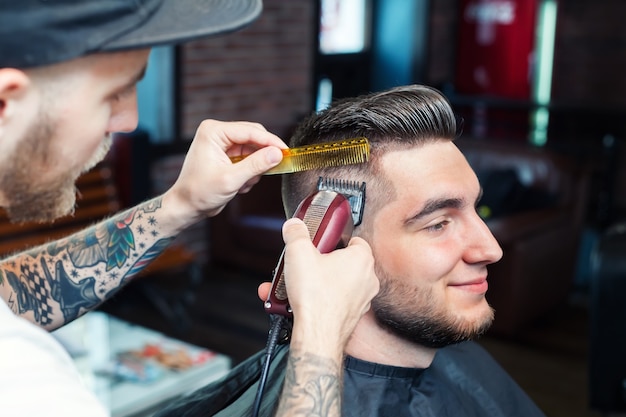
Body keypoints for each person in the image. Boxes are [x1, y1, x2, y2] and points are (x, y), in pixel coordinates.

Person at [0, 1, 379, 416]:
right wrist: (322, 331)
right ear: (6, 103)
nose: (128, 120)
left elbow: (14, 295)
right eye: (113, 94)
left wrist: (179, 205)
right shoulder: (24, 382)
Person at [156, 84, 548, 416]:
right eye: (438, 223)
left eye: (475, 210)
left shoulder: (462, 363)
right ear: (329, 242)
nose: (491, 249)